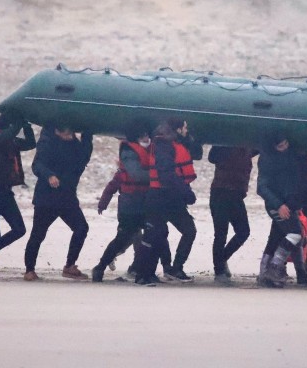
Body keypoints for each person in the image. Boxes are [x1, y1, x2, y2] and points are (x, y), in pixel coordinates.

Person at [23, 122, 93, 281]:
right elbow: (37, 165)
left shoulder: (74, 145)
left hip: (67, 197)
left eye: (72, 135)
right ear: (57, 132)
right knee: (38, 234)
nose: (70, 137)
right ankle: (29, 270)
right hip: (46, 199)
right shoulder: (47, 143)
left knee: (81, 228)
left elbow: (84, 156)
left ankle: (69, 266)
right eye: (67, 135)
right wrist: (49, 175)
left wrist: (88, 135)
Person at [133, 121, 197, 286]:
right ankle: (142, 274)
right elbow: (166, 174)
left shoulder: (177, 144)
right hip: (159, 197)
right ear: (177, 129)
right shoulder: (163, 145)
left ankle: (175, 269)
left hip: (173, 198)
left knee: (188, 230)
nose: (187, 129)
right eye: (185, 127)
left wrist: (189, 139)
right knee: (155, 234)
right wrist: (186, 192)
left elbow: (196, 154)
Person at [92, 120, 152, 282]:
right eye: (142, 136)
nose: (146, 139)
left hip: (144, 202)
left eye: (147, 135)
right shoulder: (129, 152)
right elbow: (127, 179)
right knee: (124, 238)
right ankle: (100, 267)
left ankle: (139, 271)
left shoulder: (147, 151)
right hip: (130, 204)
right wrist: (103, 202)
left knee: (146, 238)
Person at [0, 113, 36, 280]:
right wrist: (17, 124)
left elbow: (31, 143)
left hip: (5, 191)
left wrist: (26, 125)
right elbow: (2, 139)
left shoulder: (10, 141)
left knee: (19, 229)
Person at [256, 131, 307, 287]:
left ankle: (264, 272)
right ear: (274, 147)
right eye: (281, 146)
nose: (285, 147)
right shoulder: (268, 161)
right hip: (278, 205)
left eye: (286, 144)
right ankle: (275, 268)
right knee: (295, 234)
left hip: (287, 203)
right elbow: (262, 187)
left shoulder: (289, 156)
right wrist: (279, 205)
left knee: (275, 237)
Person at [208, 144, 257, 283]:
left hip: (236, 194)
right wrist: (223, 142)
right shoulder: (224, 144)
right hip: (220, 191)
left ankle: (221, 259)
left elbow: (260, 146)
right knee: (221, 233)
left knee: (244, 232)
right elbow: (211, 157)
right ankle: (219, 271)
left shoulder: (247, 146)